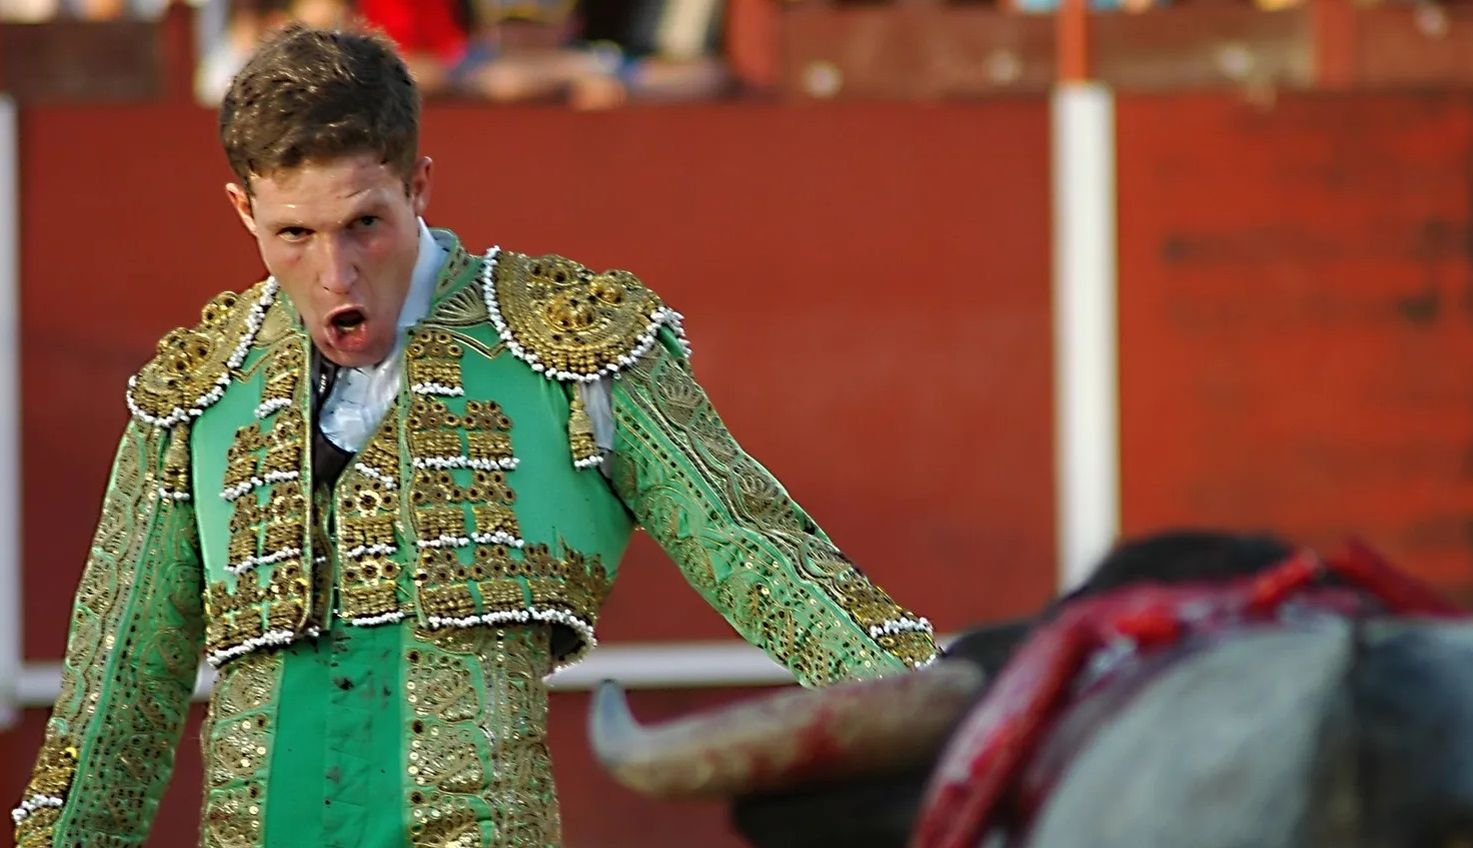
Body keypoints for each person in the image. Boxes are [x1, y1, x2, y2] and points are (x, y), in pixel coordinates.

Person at [11, 23, 938, 848]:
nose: (335, 273)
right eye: (294, 234)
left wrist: (959, 713)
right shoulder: (199, 390)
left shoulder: (564, 341)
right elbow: (114, 702)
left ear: (418, 186)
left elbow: (759, 556)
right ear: (242, 210)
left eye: (364, 224)